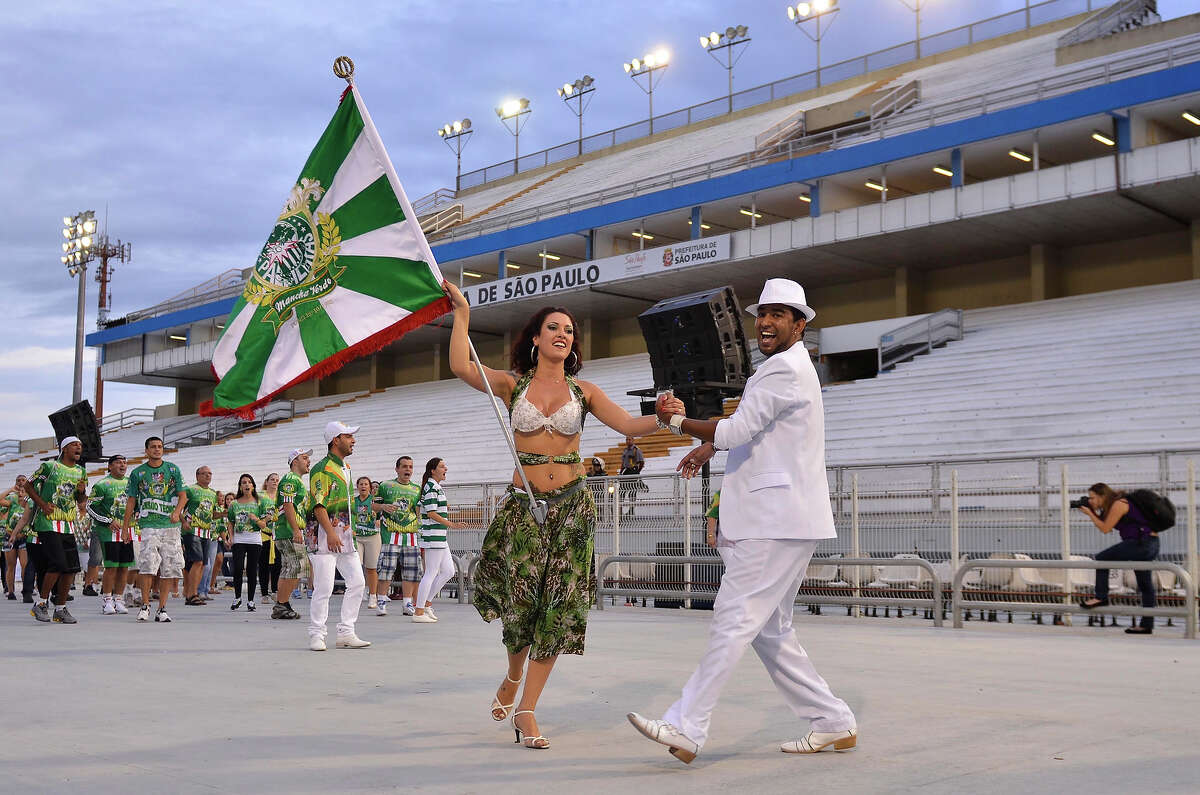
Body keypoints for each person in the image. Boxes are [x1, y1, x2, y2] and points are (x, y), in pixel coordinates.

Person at [627, 278, 857, 763]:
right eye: (762, 314)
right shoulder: (787, 369)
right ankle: (832, 721)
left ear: (800, 324)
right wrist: (707, 444)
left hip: (774, 519)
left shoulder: (782, 370)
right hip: (786, 517)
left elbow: (737, 429)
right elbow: (757, 430)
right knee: (770, 631)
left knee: (733, 618)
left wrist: (677, 423)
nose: (766, 322)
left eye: (778, 314)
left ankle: (687, 726)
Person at [444, 281, 682, 750]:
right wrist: (463, 315)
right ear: (536, 337)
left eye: (569, 331)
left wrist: (660, 415)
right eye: (553, 327)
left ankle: (528, 710)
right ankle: (513, 676)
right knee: (521, 607)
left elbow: (629, 426)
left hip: (571, 510)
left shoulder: (585, 390)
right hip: (524, 511)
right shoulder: (513, 384)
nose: (563, 335)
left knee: (558, 610)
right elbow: (459, 366)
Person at [305, 421, 370, 651]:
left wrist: (344, 530)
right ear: (336, 440)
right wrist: (331, 533)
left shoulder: (346, 467)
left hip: (345, 537)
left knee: (358, 582)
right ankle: (316, 634)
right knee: (324, 586)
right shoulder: (321, 469)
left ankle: (346, 632)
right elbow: (318, 504)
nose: (353, 440)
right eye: (348, 436)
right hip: (325, 537)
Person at [1078, 482, 1160, 634]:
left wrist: (1090, 514)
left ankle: (1101, 596)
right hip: (1149, 543)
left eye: (1093, 498)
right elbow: (1106, 525)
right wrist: (1093, 512)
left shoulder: (1118, 504)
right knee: (1145, 585)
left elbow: (1105, 528)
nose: (1090, 501)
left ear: (1103, 496)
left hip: (1140, 544)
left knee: (1102, 558)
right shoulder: (1115, 504)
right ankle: (1146, 625)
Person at [123, 436, 187, 623]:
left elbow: (183, 496)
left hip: (170, 526)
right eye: (153, 447)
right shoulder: (138, 473)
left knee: (169, 568)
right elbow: (131, 501)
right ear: (146, 450)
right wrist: (126, 526)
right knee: (147, 566)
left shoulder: (173, 469)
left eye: (160, 447)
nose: (157, 449)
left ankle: (162, 609)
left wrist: (177, 512)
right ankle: (145, 605)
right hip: (149, 524)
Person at [25, 436, 88, 624]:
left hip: (67, 523)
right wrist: (43, 504)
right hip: (47, 523)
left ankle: (60, 608)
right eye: (74, 445)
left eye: (80, 446)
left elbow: (79, 499)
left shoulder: (81, 471)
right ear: (64, 449)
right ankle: (41, 603)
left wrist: (82, 492)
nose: (79, 447)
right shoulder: (49, 467)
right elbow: (28, 485)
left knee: (71, 568)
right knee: (59, 564)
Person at [412, 458, 464, 624]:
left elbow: (421, 507)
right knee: (431, 572)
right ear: (433, 470)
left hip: (439, 537)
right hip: (433, 536)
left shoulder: (435, 487)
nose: (445, 469)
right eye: (442, 466)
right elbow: (432, 513)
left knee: (449, 571)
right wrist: (452, 524)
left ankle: (426, 604)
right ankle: (418, 611)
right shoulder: (431, 487)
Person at [374, 456, 421, 616]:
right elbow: (372, 505)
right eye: (405, 466)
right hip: (391, 534)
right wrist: (382, 507)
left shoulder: (417, 489)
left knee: (411, 570)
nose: (408, 469)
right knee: (386, 569)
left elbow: (418, 511)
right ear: (397, 469)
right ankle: (381, 600)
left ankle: (407, 603)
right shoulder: (386, 486)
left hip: (411, 535)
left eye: (410, 467)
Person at [87, 455, 131, 615]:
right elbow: (90, 507)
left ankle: (119, 600)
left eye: (124, 463)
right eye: (119, 462)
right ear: (110, 466)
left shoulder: (130, 484)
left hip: (127, 531)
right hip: (108, 533)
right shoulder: (101, 485)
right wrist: (108, 521)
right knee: (111, 567)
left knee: (124, 567)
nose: (123, 465)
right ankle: (107, 600)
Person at [272, 449, 310, 620]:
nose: (308, 461)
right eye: (304, 458)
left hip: (289, 529)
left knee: (289, 568)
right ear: (294, 461)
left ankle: (282, 603)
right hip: (288, 530)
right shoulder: (290, 479)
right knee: (297, 567)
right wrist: (295, 530)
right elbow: (287, 505)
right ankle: (282, 604)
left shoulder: (296, 480)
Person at [227, 474, 268, 612]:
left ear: (253, 486)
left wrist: (255, 519)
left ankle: (251, 601)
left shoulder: (259, 502)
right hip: (239, 538)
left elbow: (263, 525)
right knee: (238, 568)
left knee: (251, 570)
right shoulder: (234, 503)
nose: (246, 484)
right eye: (244, 482)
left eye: (249, 482)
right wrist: (231, 537)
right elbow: (230, 522)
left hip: (255, 539)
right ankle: (237, 597)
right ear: (240, 486)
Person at [182, 466, 218, 606]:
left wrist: (226, 513)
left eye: (210, 473)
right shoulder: (190, 490)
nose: (208, 476)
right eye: (204, 474)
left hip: (206, 531)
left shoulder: (213, 493)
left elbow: (212, 514)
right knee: (197, 561)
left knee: (201, 564)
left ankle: (192, 593)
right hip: (192, 530)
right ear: (197, 476)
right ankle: (192, 594)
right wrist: (183, 521)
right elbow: (178, 507)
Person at [352, 476, 383, 611]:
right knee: (356, 566)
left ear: (370, 487)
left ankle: (373, 595)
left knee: (371, 568)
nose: (363, 486)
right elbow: (348, 515)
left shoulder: (375, 501)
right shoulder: (353, 501)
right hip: (357, 536)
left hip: (372, 536)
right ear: (357, 486)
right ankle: (357, 593)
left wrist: (379, 521)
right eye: (361, 484)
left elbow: (385, 515)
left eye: (366, 484)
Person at [2, 476, 31, 601]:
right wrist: (10, 489)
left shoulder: (30, 502)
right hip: (9, 537)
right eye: (18, 481)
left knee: (25, 565)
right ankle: (10, 591)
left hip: (24, 537)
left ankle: (26, 590)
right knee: (11, 565)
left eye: (23, 480)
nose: (20, 484)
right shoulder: (12, 500)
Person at [258, 473, 281, 604]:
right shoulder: (260, 496)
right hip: (264, 535)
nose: (275, 482)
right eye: (272, 479)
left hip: (277, 534)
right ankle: (264, 593)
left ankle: (275, 591)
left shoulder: (280, 497)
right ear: (266, 482)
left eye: (277, 480)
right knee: (263, 565)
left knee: (277, 565)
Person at [618, 436, 646, 519]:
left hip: (633, 471)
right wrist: (620, 472)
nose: (628, 441)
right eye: (627, 439)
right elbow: (623, 463)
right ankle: (620, 511)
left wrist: (637, 471)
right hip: (626, 472)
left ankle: (631, 510)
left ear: (633, 440)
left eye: (629, 439)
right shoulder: (625, 450)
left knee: (632, 493)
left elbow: (641, 462)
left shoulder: (636, 450)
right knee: (622, 492)